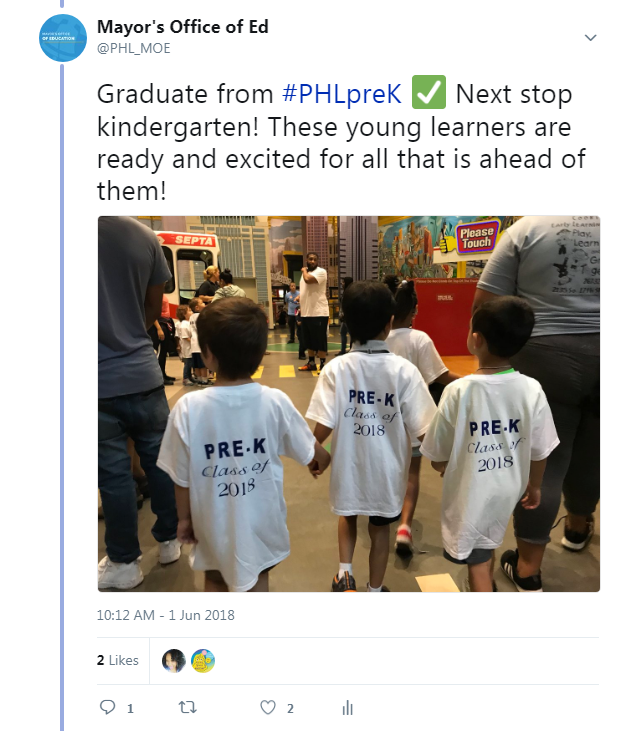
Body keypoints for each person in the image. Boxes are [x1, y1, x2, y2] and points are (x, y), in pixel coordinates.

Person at [157, 298, 331, 592]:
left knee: (214, 577)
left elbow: (181, 477)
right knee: (257, 576)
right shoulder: (274, 401)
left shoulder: (187, 408)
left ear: (208, 353)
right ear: (262, 353)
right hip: (262, 521)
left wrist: (184, 519)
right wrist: (318, 461)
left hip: (211, 522)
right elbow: (317, 454)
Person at [473, 216, 600, 591]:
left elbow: (486, 301)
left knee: (543, 462)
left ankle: (528, 568)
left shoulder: (525, 230)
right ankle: (578, 526)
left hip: (546, 356)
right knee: (594, 452)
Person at [421, 297, 559, 592]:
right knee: (490, 536)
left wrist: (443, 464)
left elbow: (436, 451)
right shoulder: (532, 389)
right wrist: (534, 485)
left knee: (478, 560)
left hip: (474, 490)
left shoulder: (458, 391)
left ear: (476, 339)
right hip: (511, 487)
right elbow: (540, 449)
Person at [306, 281, 437, 592]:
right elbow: (425, 429)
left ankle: (344, 575)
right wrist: (443, 460)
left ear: (345, 323)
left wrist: (317, 456)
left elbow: (323, 424)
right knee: (380, 530)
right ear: (390, 323)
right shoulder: (404, 371)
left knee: (347, 516)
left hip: (348, 465)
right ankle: (374, 590)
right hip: (387, 471)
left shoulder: (336, 369)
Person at [98, 216, 180, 591]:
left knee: (114, 477)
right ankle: (169, 541)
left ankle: (123, 562)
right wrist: (130, 331)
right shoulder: (145, 236)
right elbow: (153, 304)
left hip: (96, 381)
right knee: (160, 463)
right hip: (143, 371)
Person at [385, 279, 460, 556]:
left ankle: (384, 513)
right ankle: (405, 527)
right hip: (413, 420)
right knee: (411, 475)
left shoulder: (377, 339)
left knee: (389, 468)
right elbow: (439, 376)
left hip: (382, 421)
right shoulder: (419, 339)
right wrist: (470, 381)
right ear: (414, 311)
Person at [298, 252, 329, 372]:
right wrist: (300, 297)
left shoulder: (321, 272)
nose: (312, 261)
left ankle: (322, 365)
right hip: (306, 312)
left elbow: (308, 280)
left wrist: (304, 270)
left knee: (320, 340)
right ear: (306, 260)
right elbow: (306, 290)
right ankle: (311, 363)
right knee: (308, 340)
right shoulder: (305, 273)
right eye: (310, 259)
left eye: (314, 259)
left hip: (319, 312)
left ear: (317, 261)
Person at [148, 294, 176, 386]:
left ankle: (163, 374)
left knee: (164, 351)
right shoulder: (153, 295)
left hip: (165, 322)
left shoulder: (161, 294)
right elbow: (152, 313)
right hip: (159, 324)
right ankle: (159, 377)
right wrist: (159, 328)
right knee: (159, 352)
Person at [188, 297, 210, 386]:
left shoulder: (191, 317)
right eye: (202, 303)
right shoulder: (201, 316)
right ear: (197, 307)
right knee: (203, 364)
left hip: (193, 343)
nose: (204, 304)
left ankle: (199, 379)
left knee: (196, 364)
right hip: (200, 343)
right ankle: (205, 380)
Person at [176, 305, 195, 386]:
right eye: (189, 311)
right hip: (187, 348)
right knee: (187, 364)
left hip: (190, 347)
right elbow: (185, 337)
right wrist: (193, 342)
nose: (192, 312)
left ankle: (190, 377)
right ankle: (186, 378)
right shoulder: (184, 324)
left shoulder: (188, 323)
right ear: (184, 314)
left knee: (190, 363)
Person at [336, 277, 353, 356]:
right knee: (343, 332)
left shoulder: (351, 293)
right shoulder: (345, 292)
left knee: (352, 335)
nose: (342, 284)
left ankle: (351, 350)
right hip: (344, 319)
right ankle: (343, 350)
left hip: (349, 318)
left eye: (343, 282)